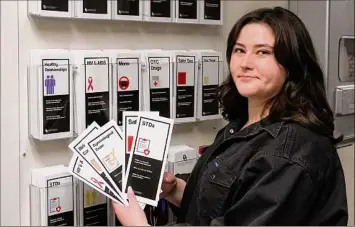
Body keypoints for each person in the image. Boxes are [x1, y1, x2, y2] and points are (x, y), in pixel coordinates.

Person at [113, 6, 349, 225]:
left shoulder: (290, 153)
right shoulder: (243, 125)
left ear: (291, 64)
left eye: (263, 52)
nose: (245, 63)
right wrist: (175, 191)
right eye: (239, 50)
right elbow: (229, 206)